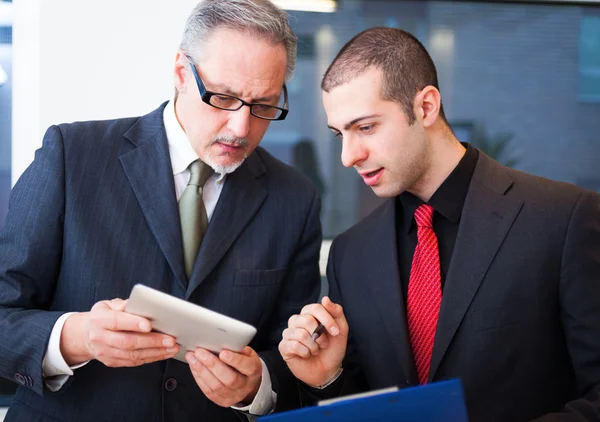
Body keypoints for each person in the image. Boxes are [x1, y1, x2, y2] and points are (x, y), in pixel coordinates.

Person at [0, 1, 322, 420]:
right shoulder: (72, 155)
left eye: (263, 105)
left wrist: (256, 386)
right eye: (224, 98)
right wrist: (76, 338)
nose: (242, 128)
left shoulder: (294, 198)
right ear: (180, 73)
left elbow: (294, 362)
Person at [278, 27, 600, 421]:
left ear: (426, 107)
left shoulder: (564, 218)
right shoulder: (350, 253)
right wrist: (327, 380)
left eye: (365, 127)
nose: (348, 156)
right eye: (339, 133)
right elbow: (372, 405)